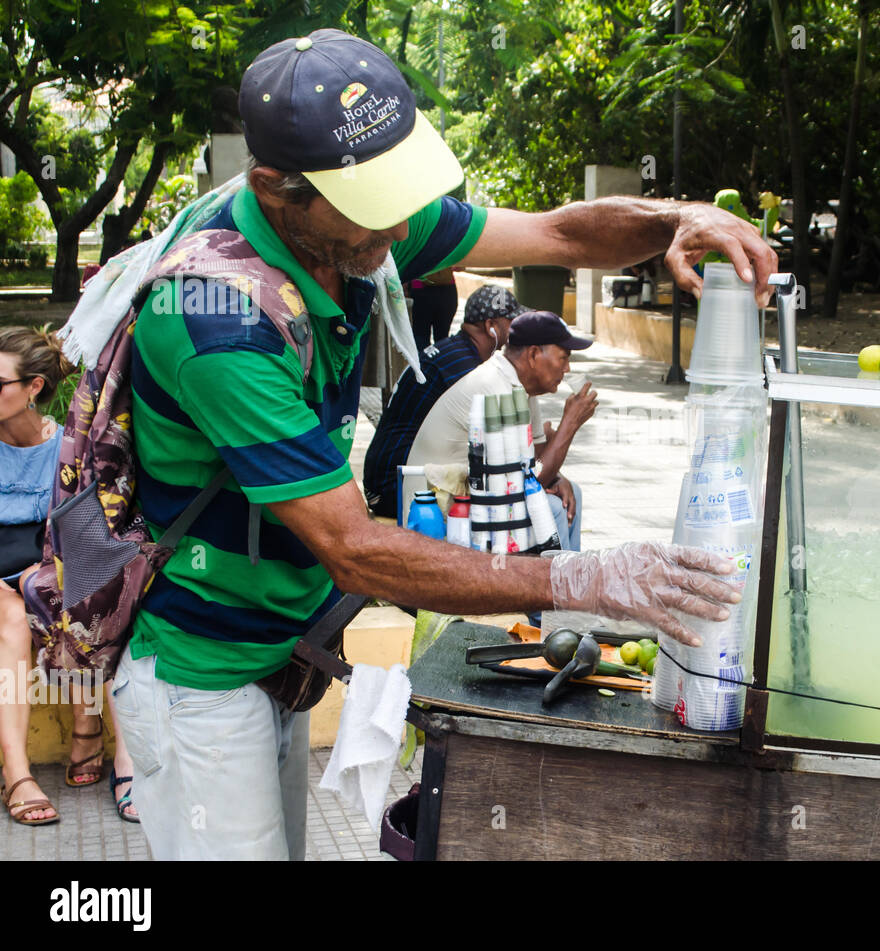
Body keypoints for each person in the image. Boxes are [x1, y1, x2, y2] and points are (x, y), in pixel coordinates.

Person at [111, 28, 775, 860]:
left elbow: (561, 235)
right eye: (370, 201)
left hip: (281, 655)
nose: (398, 222)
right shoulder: (217, 322)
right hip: (200, 677)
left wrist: (680, 215)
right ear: (276, 189)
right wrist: (581, 575)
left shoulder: (362, 223)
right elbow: (354, 549)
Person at [0, 327, 139, 825]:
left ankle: (121, 754)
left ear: (33, 388)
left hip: (42, 571)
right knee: (12, 621)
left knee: (99, 597)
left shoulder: (65, 447)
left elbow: (86, 531)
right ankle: (18, 774)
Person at [407, 310, 596, 551]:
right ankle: (555, 584)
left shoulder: (521, 388)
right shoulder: (493, 387)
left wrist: (559, 477)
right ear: (534, 354)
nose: (567, 368)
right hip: (441, 512)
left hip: (479, 495)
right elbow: (531, 481)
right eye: (563, 358)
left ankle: (572, 581)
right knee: (551, 508)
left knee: (571, 493)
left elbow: (534, 463)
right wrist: (569, 423)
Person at [363, 283, 524, 519]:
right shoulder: (467, 372)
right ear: (491, 327)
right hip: (394, 487)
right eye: (512, 324)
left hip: (387, 479)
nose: (516, 333)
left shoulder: (454, 353)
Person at [408, 268, 460, 350]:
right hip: (446, 289)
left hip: (421, 288)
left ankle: (423, 361)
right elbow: (459, 265)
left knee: (421, 338)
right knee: (442, 339)